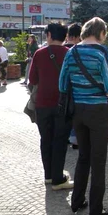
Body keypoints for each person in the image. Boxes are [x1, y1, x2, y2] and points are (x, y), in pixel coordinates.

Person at [59, 17, 108, 215]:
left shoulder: (71, 52)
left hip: (78, 112)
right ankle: (96, 210)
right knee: (98, 162)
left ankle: (76, 202)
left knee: (83, 157)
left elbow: (62, 85)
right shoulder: (102, 52)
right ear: (100, 32)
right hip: (99, 111)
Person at [28, 23, 73, 190]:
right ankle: (57, 179)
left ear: (49, 35)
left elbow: (32, 80)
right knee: (60, 140)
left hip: (42, 104)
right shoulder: (69, 54)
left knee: (45, 139)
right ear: (64, 37)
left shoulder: (39, 54)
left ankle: (48, 176)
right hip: (63, 104)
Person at [63, 23, 82, 150]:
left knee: (69, 114)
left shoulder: (67, 50)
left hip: (69, 89)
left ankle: (71, 137)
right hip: (82, 90)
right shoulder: (93, 50)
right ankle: (76, 139)